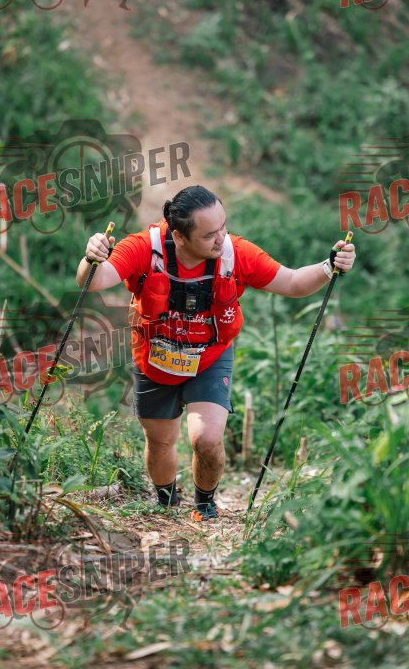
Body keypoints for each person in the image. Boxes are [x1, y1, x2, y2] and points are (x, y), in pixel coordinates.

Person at [76, 185, 356, 522]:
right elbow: (94, 280)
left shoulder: (236, 253)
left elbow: (293, 282)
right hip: (153, 359)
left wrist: (329, 266)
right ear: (179, 237)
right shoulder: (143, 248)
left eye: (222, 227)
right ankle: (166, 500)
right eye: (209, 235)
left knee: (207, 439)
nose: (221, 238)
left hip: (209, 358)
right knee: (160, 442)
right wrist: (91, 259)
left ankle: (204, 504)